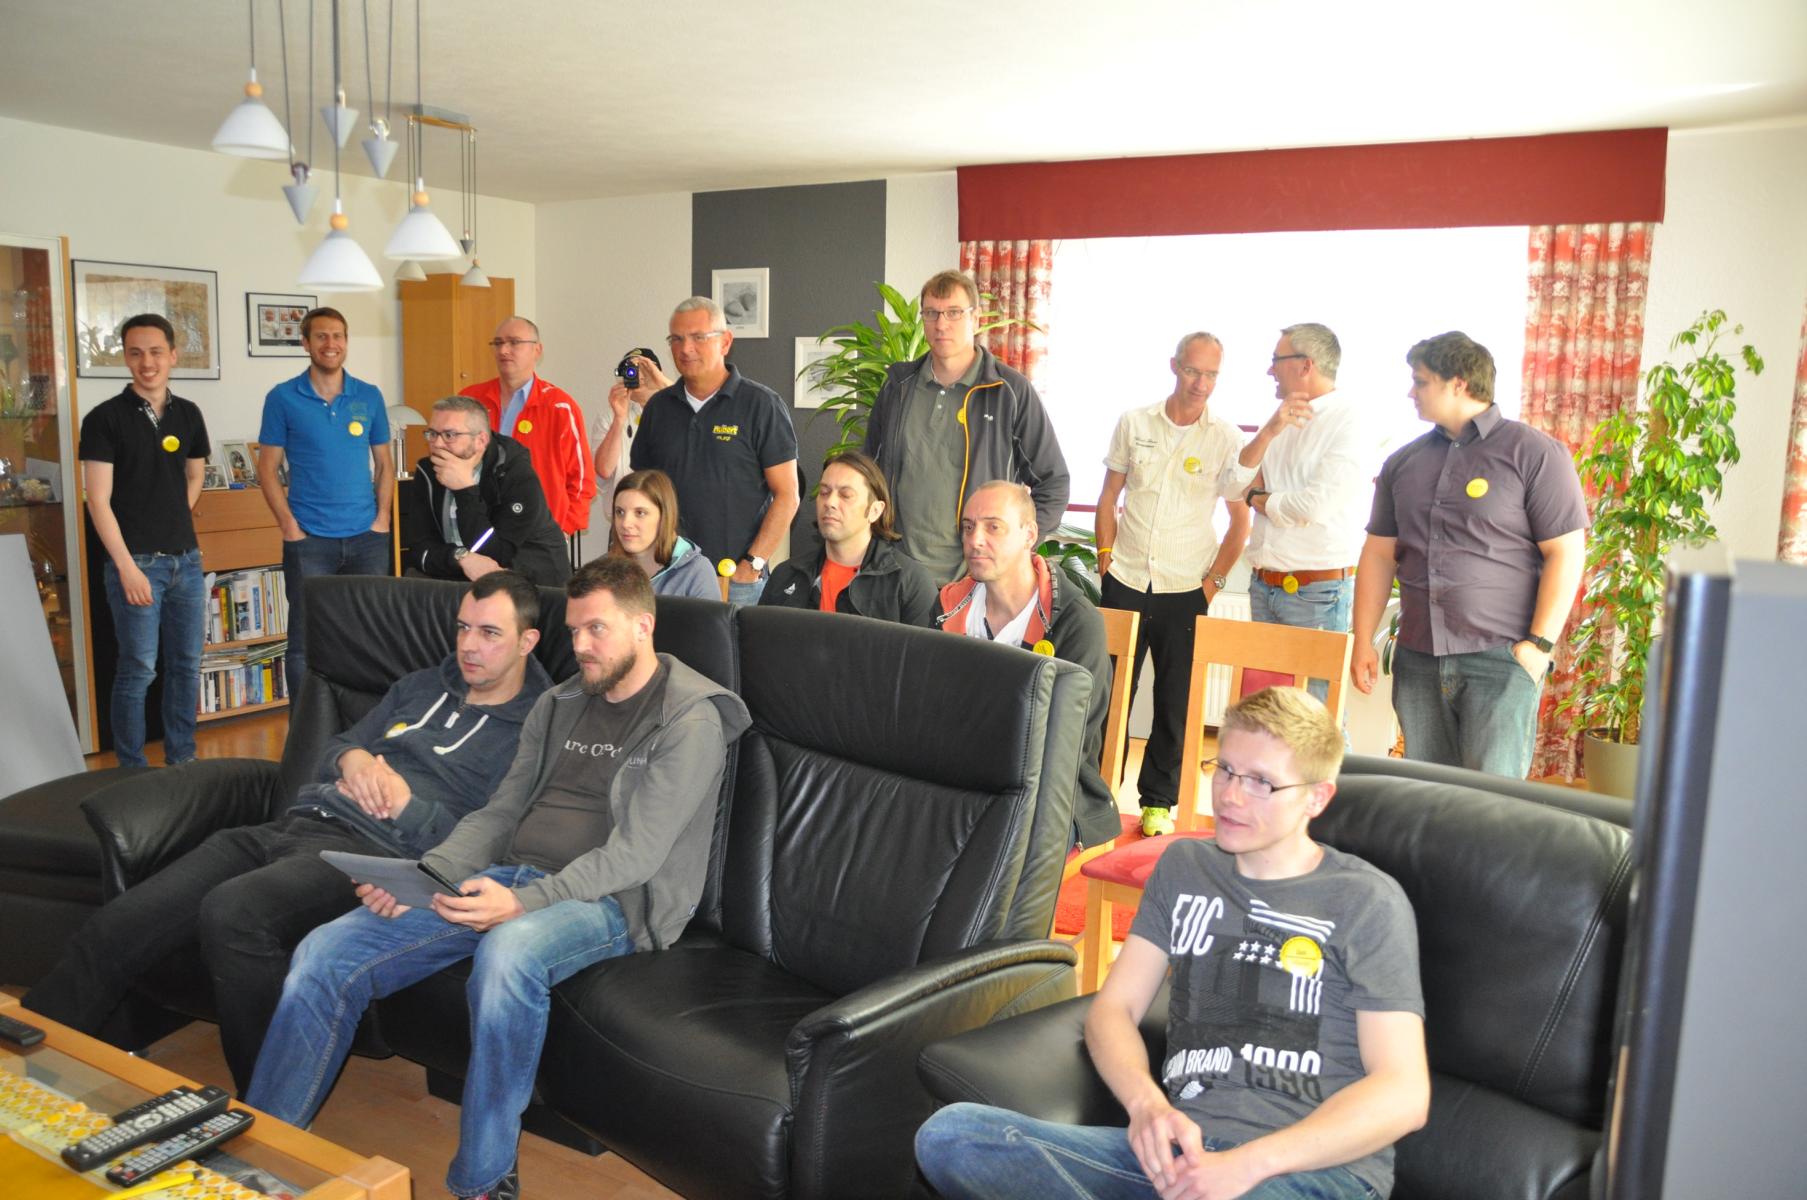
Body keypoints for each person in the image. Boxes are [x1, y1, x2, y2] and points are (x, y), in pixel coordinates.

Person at [245, 556, 752, 1200]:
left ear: (643, 626)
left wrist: (522, 903)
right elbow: (500, 813)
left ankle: (483, 1182)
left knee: (508, 953)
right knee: (325, 952)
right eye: (574, 631)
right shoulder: (561, 703)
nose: (582, 647)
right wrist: (430, 874)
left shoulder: (688, 719)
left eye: (597, 630)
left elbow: (636, 856)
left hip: (614, 902)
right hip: (509, 875)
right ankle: (261, 1159)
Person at [24, 572, 551, 1092]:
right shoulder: (419, 685)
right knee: (122, 920)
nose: (468, 645)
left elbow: (493, 839)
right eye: (462, 627)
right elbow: (335, 746)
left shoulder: (535, 730)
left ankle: (266, 1114)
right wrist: (354, 760)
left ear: (527, 641)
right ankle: (22, 1070)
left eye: (489, 633)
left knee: (234, 911)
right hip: (291, 826)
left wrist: (407, 806)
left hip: (360, 854)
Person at [915, 687, 1429, 1200]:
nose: (1230, 796)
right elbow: (1113, 1010)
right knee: (953, 1136)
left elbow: (1404, 1092)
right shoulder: (1186, 869)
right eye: (1225, 770)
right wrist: (1146, 1107)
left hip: (1310, 1172)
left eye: (1261, 782)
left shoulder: (1365, 901)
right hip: (1178, 1161)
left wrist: (1246, 1166)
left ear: (1316, 797)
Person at [1351, 332, 1587, 779]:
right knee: (1428, 793)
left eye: (1421, 381)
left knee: (1491, 803)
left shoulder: (1535, 454)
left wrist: (1537, 646)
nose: (1411, 392)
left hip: (1501, 659)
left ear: (1457, 383)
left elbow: (1566, 552)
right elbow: (1379, 555)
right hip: (1419, 658)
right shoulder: (1402, 463)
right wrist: (1363, 639)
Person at [1096, 332, 1252, 836]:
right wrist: (1104, 560)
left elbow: (1240, 521)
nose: (1201, 383)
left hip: (1185, 589)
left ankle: (1157, 804)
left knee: (1174, 702)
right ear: (1174, 366)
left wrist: (1212, 585)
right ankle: (1097, 795)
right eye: (1192, 371)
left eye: (1211, 375)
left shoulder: (1226, 438)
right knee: (1110, 695)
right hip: (1125, 580)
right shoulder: (1134, 422)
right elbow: (1109, 497)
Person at [935, 481, 1118, 849]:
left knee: (990, 850)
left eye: (993, 527)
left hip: (1048, 795)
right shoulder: (946, 608)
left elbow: (1068, 740)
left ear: (1029, 535)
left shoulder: (1075, 622)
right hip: (957, 781)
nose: (975, 540)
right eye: (968, 527)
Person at [865, 269, 1069, 584]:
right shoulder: (898, 387)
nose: (941, 324)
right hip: (899, 575)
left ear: (975, 319)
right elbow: (869, 473)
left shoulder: (1009, 391)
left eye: (954, 313)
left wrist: (1013, 546)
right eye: (931, 313)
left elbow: (1053, 483)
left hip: (977, 580)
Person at [78, 313, 211, 768]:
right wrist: (126, 567)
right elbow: (98, 501)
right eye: (136, 353)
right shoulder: (104, 419)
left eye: (156, 352)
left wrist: (175, 513)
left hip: (186, 563)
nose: (147, 362)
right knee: (138, 670)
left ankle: (182, 760)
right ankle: (132, 769)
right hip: (135, 564)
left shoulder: (188, 414)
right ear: (126, 358)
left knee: (186, 666)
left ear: (173, 355)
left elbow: (195, 475)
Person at [256, 306, 394, 701]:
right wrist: (289, 527)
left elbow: (384, 464)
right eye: (321, 336)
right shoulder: (283, 398)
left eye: (337, 336)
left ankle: (362, 721)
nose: (330, 344)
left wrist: (382, 520)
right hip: (309, 540)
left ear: (346, 342)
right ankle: (307, 727)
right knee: (305, 641)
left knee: (368, 636)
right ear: (305, 343)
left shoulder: (368, 395)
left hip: (367, 539)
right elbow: (267, 469)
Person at [630, 297, 799, 605]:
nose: (685, 348)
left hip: (735, 580)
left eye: (698, 337)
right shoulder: (658, 408)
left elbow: (788, 495)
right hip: (666, 575)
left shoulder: (761, 405)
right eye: (676, 339)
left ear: (725, 342)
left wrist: (753, 564)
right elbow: (641, 491)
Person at [1225, 324, 1389, 641]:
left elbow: (1313, 506)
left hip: (1317, 593)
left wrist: (1258, 498)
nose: (1270, 370)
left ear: (1305, 365)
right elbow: (1232, 487)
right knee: (1261, 679)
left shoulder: (1350, 421)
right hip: (1262, 586)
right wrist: (1267, 433)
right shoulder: (1279, 418)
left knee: (1312, 679)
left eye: (1276, 359)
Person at [404, 395, 570, 587]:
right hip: (465, 581)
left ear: (480, 440)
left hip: (533, 584)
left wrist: (465, 490)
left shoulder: (515, 474)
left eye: (450, 435)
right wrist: (460, 557)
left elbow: (495, 555)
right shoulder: (428, 471)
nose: (437, 444)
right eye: (432, 434)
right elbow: (419, 549)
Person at [760, 451, 937, 626]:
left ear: (875, 511)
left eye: (845, 495)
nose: (830, 502)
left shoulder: (910, 583)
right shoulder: (786, 575)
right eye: (824, 492)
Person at [462, 316, 594, 537]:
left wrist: (563, 529)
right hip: (480, 526)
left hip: (538, 532)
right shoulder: (470, 400)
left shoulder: (560, 407)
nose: (504, 350)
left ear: (537, 350)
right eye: (498, 343)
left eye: (514, 342)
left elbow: (582, 479)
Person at [605, 467, 719, 598]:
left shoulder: (696, 571)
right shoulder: (603, 569)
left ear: (664, 517)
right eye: (620, 512)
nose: (625, 523)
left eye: (640, 513)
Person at [589, 346, 672, 526]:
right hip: (625, 520)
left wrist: (665, 387)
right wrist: (619, 419)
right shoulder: (609, 417)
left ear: (657, 373)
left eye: (644, 368)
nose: (637, 375)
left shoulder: (677, 412)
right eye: (631, 369)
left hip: (669, 519)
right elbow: (603, 470)